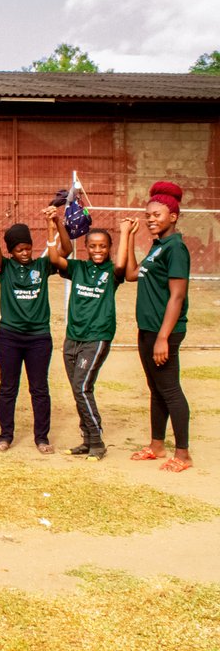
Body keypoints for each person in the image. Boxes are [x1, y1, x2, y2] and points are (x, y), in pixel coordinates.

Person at [48, 212, 136, 460]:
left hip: (97, 337)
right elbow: (55, 258)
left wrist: (126, 232)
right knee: (79, 389)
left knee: (82, 386)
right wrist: (53, 224)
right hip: (72, 337)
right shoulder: (78, 268)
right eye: (93, 246)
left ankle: (97, 441)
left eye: (103, 246)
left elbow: (122, 265)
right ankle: (86, 440)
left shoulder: (112, 272)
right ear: (85, 248)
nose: (98, 250)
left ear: (110, 249)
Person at [0, 203, 72, 454]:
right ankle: (6, 435)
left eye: (27, 248)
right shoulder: (4, 267)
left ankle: (41, 438)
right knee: (7, 387)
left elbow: (65, 250)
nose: (24, 253)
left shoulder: (42, 266)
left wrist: (56, 223)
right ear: (11, 251)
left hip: (38, 338)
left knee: (39, 388)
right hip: (9, 337)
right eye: (18, 249)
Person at [127, 181, 193, 472]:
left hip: (164, 331)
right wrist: (127, 238)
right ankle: (156, 445)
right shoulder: (157, 247)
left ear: (173, 217)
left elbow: (177, 295)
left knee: (170, 389)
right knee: (155, 388)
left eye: (157, 215)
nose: (151, 219)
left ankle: (183, 454)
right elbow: (131, 274)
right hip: (149, 328)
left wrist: (163, 338)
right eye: (148, 215)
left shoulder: (176, 247)